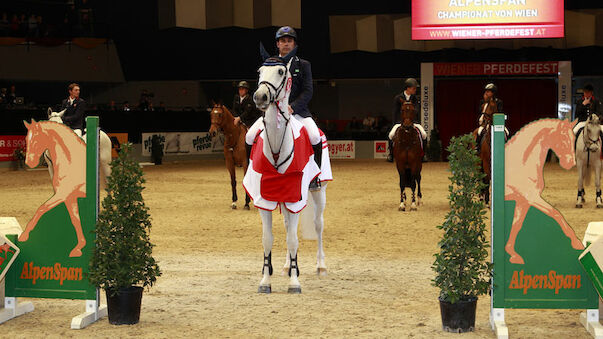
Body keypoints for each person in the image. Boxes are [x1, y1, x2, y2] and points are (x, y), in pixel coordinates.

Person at [251, 25, 323, 189]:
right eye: (282, 41)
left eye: (289, 41)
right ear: (277, 44)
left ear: (294, 44)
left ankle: (314, 176)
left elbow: (307, 91)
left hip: (297, 112)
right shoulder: (270, 64)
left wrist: (293, 106)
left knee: (314, 137)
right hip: (272, 112)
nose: (286, 44)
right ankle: (253, 174)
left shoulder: (303, 64)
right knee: (249, 136)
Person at [387, 78, 426, 162]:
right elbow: (395, 111)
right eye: (414, 88)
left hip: (413, 122)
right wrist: (394, 123)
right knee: (391, 135)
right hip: (400, 122)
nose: (415, 90)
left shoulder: (415, 98)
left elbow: (417, 110)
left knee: (424, 134)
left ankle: (423, 155)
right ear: (408, 88)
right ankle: (391, 154)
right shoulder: (398, 98)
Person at [475, 83, 504, 147]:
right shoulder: (482, 102)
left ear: (492, 93)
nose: (486, 93)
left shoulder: (498, 102)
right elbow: (480, 113)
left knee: (506, 133)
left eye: (488, 91)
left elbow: (500, 112)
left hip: (497, 123)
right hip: (485, 123)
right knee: (479, 133)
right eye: (486, 91)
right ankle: (477, 148)